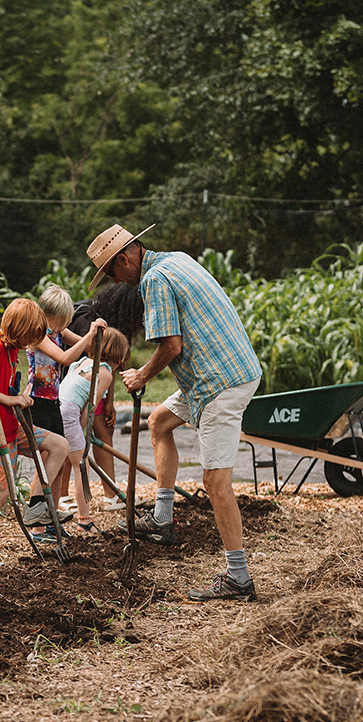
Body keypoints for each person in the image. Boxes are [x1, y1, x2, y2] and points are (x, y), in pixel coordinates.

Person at [87, 223, 263, 602]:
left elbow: (171, 345)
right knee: (159, 422)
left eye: (112, 273)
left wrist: (142, 374)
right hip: (222, 368)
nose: (116, 281)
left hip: (220, 381)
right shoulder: (177, 260)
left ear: (124, 260)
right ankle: (163, 518)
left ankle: (239, 578)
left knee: (216, 482)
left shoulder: (154, 280)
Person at [0, 298, 59, 571]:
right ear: (19, 329)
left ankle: (37, 505)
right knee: (1, 493)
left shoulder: (12, 351)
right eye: (33, 334)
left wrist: (19, 397)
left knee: (58, 446)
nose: (35, 341)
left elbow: (6, 387)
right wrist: (9, 399)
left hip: (12, 428)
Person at [27, 285, 106, 532]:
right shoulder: (38, 335)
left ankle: (50, 517)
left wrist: (97, 333)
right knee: (45, 461)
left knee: (58, 462)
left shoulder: (59, 332)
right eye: (62, 319)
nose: (64, 325)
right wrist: (88, 335)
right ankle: (37, 519)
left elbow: (89, 348)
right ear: (51, 314)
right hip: (36, 402)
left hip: (53, 402)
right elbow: (65, 358)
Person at [67, 282, 143, 508]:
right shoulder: (90, 323)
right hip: (74, 388)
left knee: (103, 431)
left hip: (94, 386)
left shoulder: (118, 327)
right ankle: (63, 496)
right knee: (69, 440)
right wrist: (87, 412)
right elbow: (93, 366)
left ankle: (111, 495)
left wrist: (109, 401)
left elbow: (109, 368)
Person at [57, 328, 130, 529]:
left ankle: (50, 511)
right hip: (69, 413)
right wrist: (80, 432)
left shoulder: (80, 362)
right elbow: (89, 409)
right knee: (82, 467)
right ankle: (84, 520)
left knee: (56, 462)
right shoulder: (105, 374)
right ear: (119, 353)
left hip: (56, 407)